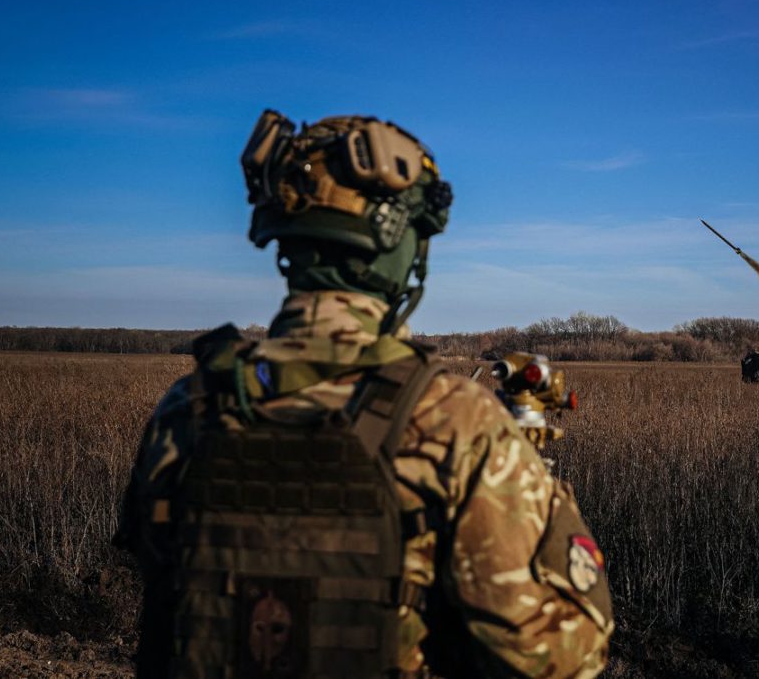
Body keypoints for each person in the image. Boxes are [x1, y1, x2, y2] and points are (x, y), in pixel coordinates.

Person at [114, 111, 613, 679]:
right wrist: (544, 496)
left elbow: (163, 586)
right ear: (403, 249)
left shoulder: (189, 405)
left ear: (286, 238)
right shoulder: (455, 421)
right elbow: (559, 659)